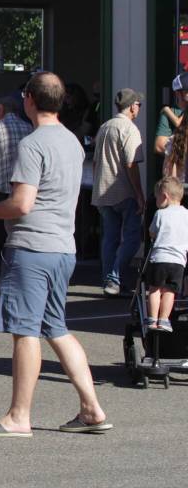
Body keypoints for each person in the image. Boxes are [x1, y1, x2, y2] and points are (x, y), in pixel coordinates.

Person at [0, 71, 112, 438]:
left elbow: (21, 204)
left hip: (32, 248)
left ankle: (19, 416)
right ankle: (91, 408)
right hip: (63, 247)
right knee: (56, 328)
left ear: (29, 98)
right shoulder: (72, 142)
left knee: (25, 331)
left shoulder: (33, 145)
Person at [91, 88, 145, 297]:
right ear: (132, 106)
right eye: (138, 104)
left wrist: (97, 185)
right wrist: (139, 194)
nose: (139, 107)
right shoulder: (129, 129)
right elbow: (131, 164)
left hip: (103, 191)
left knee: (110, 238)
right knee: (132, 238)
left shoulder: (105, 126)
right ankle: (115, 278)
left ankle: (109, 281)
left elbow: (96, 162)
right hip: (124, 191)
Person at [0, 95, 33, 275]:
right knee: (19, 227)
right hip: (23, 184)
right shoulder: (28, 127)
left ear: (1, 109)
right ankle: (18, 263)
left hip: (0, 183)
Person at [144, 178, 188, 332]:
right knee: (170, 291)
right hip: (178, 261)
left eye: (157, 197)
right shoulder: (186, 215)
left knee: (155, 289)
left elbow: (152, 232)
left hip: (160, 258)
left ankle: (152, 318)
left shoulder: (160, 214)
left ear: (164, 196)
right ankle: (164, 320)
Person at [153, 74, 188, 156]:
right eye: (187, 91)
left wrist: (166, 109)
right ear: (177, 93)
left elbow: (178, 123)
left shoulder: (168, 112)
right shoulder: (171, 113)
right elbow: (159, 146)